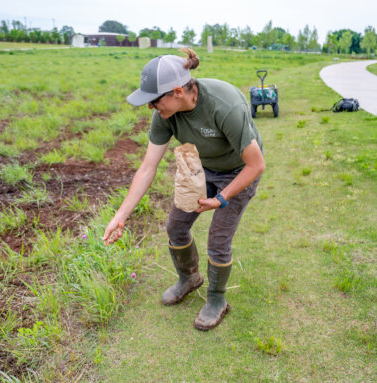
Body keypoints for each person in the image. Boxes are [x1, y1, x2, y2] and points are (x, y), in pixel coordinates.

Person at [103, 49, 265, 331]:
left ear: (178, 91)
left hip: (239, 171)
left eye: (154, 101)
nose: (151, 108)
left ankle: (216, 299)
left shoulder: (224, 106)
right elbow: (147, 167)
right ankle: (188, 278)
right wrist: (121, 215)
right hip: (203, 169)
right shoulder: (165, 116)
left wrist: (221, 199)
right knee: (176, 225)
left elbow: (256, 165)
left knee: (218, 238)